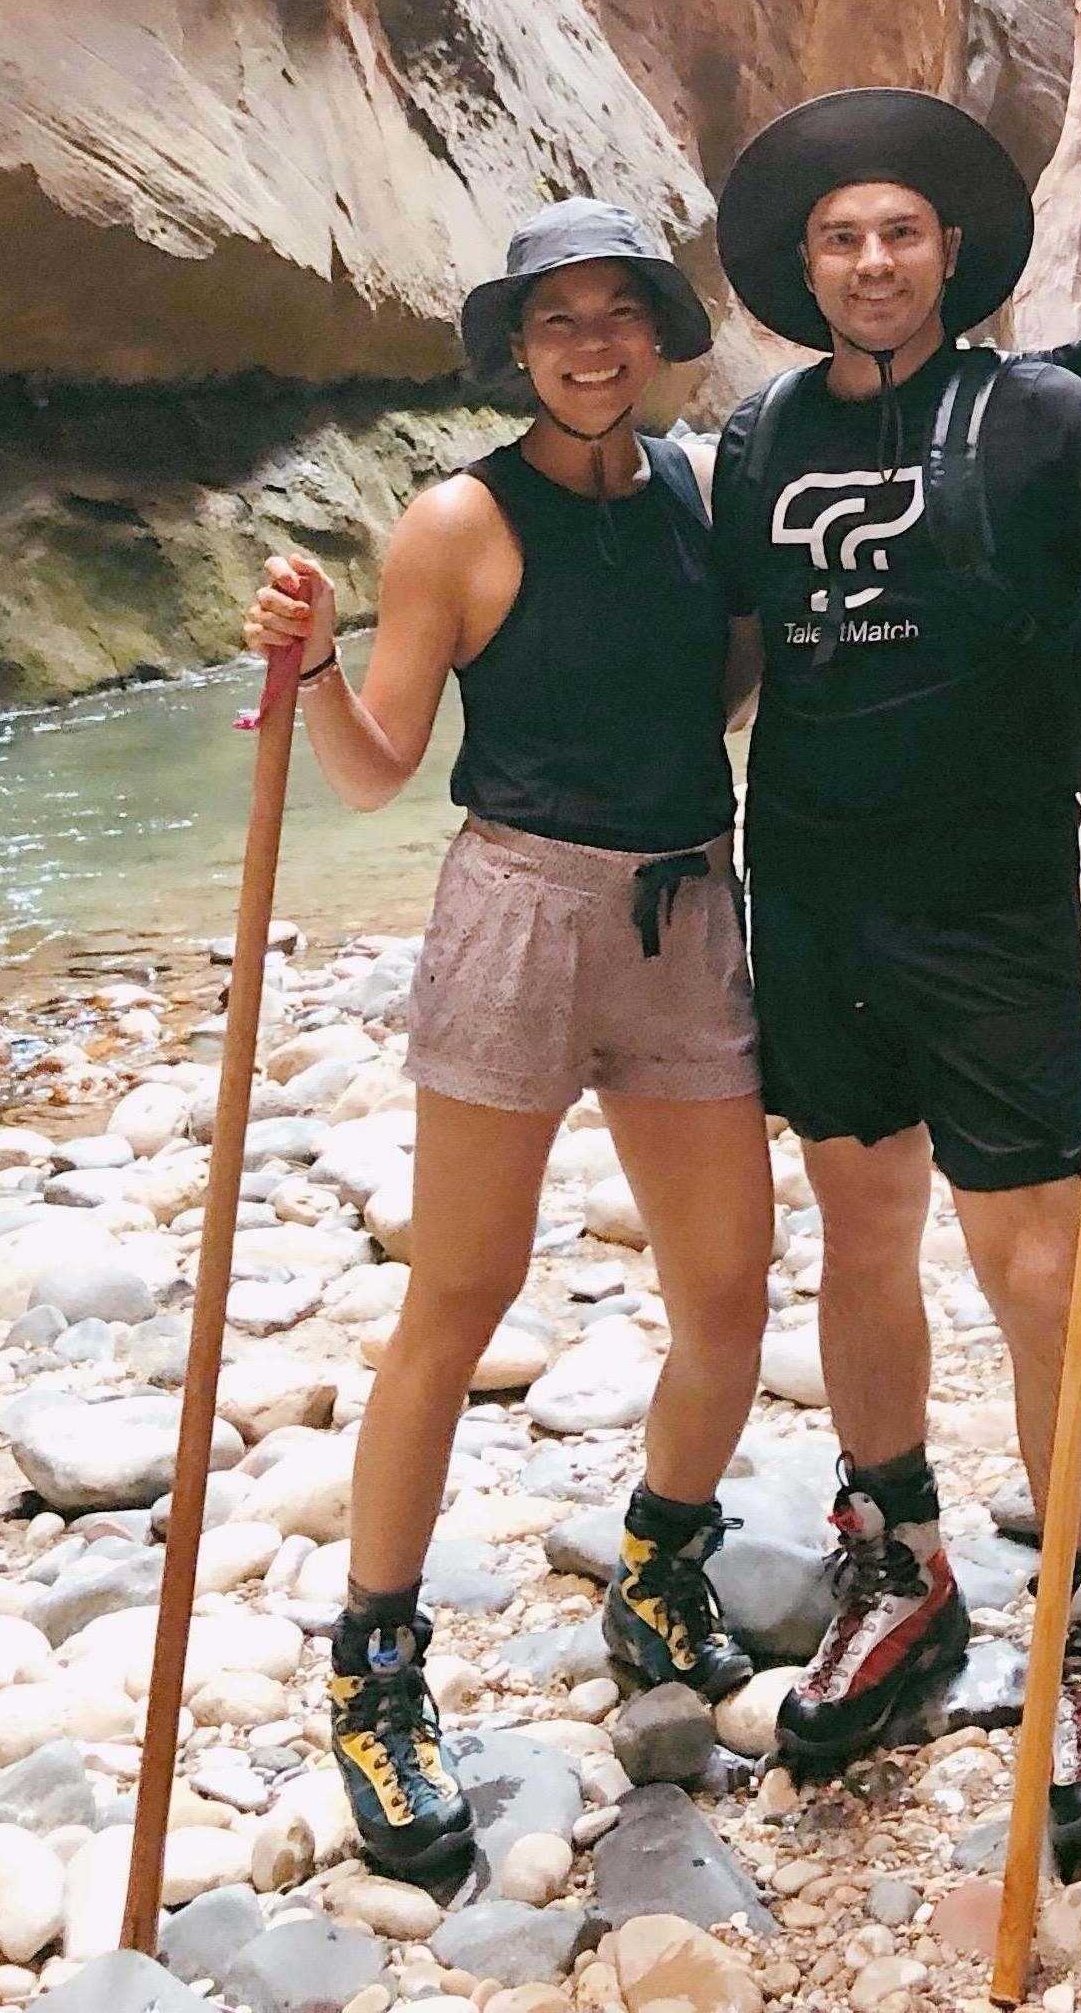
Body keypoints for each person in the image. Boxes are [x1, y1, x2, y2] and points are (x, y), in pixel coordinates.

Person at [708, 90, 1081, 1859]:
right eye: (838, 238)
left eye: (900, 232)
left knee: (1036, 1261)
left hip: (987, 902)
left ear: (952, 251)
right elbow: (730, 662)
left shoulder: (1044, 423)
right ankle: (903, 1562)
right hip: (803, 888)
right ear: (803, 268)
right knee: (859, 1229)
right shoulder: (759, 440)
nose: (871, 261)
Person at [242, 202, 774, 1889]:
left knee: (733, 1286)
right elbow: (378, 761)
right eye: (560, 320)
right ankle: (378, 1666)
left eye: (621, 314)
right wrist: (307, 672)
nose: (592, 344)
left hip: (687, 913)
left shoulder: (701, 498)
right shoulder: (456, 521)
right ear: (517, 346)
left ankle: (658, 1558)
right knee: (458, 1294)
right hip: (519, 915)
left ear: (659, 335)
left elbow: (732, 687)